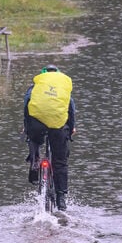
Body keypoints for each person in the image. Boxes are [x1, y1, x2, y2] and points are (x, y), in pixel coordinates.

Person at [24, 64, 76, 211]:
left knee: (33, 138)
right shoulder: (62, 87)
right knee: (60, 161)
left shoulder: (36, 86)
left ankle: (35, 161)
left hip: (36, 125)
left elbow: (26, 105)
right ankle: (61, 198)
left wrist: (26, 127)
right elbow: (70, 109)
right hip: (58, 127)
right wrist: (71, 128)